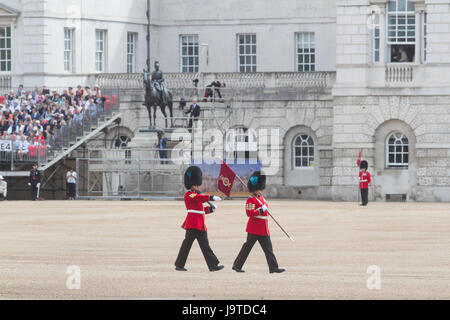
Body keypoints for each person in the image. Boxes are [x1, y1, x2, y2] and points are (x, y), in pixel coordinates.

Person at [232, 171, 285, 274]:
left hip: (263, 228)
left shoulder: (261, 199)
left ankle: (273, 267)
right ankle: (237, 265)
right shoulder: (251, 200)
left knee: (268, 249)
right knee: (247, 248)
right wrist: (261, 210)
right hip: (254, 228)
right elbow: (249, 213)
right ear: (255, 189)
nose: (262, 191)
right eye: (260, 189)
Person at [174, 166, 224, 272]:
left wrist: (210, 209)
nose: (197, 187)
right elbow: (199, 199)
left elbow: (200, 211)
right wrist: (211, 197)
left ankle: (213, 265)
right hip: (192, 224)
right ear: (191, 186)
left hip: (200, 224)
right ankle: (179, 265)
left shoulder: (196, 195)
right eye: (196, 185)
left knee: (205, 246)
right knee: (186, 245)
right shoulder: (189, 195)